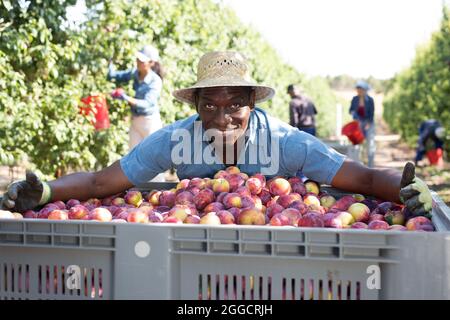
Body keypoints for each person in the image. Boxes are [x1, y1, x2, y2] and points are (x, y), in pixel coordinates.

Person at [0, 51, 432, 218]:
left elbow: (366, 180)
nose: (222, 117)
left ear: (253, 104)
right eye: (210, 105)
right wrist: (46, 193)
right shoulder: (174, 139)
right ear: (195, 106)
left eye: (235, 106)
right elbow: (101, 183)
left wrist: (411, 190)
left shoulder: (288, 144)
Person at [108, 44, 164, 150]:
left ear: (151, 63)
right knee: (133, 156)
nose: (138, 62)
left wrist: (126, 98)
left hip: (149, 122)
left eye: (142, 61)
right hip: (136, 121)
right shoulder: (135, 73)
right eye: (138, 59)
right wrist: (110, 59)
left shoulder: (155, 81)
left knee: (154, 156)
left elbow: (147, 103)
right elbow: (113, 76)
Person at [349, 81, 375, 167]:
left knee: (370, 145)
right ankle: (358, 165)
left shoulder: (370, 100)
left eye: (360, 89)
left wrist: (368, 124)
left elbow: (371, 114)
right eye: (358, 89)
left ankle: (370, 166)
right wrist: (355, 117)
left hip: (368, 123)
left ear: (365, 90)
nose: (359, 91)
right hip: (358, 124)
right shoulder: (355, 99)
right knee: (356, 145)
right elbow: (350, 110)